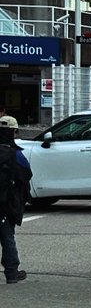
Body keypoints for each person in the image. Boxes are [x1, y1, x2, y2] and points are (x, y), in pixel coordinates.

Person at [0, 115, 32, 284]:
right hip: (5, 202)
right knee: (7, 237)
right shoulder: (15, 154)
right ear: (13, 132)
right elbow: (27, 173)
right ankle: (12, 272)